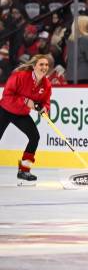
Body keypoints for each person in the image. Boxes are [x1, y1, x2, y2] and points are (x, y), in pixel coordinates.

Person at [0, 55, 51, 184]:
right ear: (34, 66)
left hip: (21, 114)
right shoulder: (20, 76)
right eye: (41, 64)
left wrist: (44, 108)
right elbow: (7, 95)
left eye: (46, 65)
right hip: (5, 110)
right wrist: (25, 101)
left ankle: (24, 170)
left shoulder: (46, 84)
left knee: (35, 137)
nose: (44, 67)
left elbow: (46, 102)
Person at [66, 16, 88, 84]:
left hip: (71, 77)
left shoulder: (70, 41)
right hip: (86, 77)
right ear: (84, 26)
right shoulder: (85, 40)